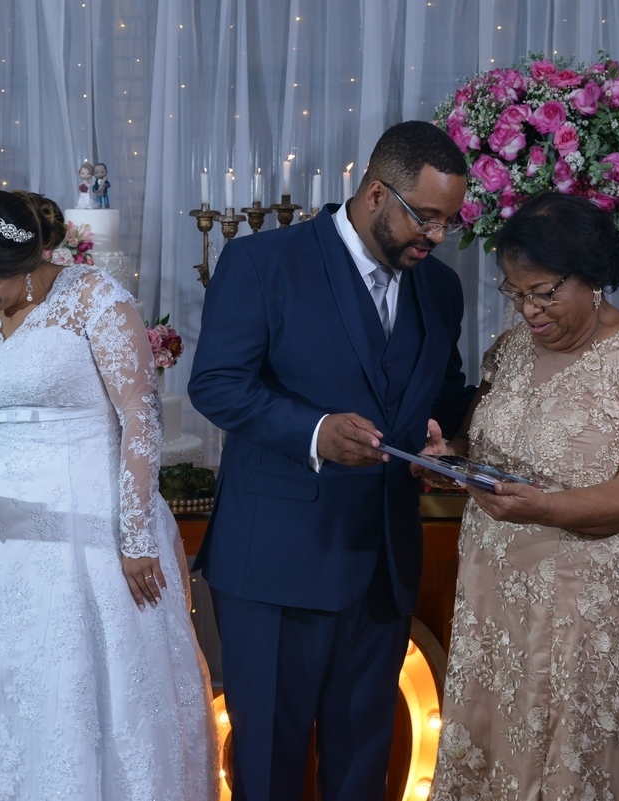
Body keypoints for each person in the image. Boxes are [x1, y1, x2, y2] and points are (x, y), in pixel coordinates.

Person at [0, 190, 217, 800]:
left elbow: (140, 419)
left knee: (82, 688)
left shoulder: (98, 299)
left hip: (88, 521)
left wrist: (136, 537)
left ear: (29, 259)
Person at [188, 120, 476, 800]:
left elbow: (443, 390)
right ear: (378, 192)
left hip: (382, 560)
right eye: (425, 219)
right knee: (268, 766)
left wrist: (448, 440)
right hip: (276, 562)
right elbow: (216, 383)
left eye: (448, 224)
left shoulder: (440, 288)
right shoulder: (264, 262)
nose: (436, 239)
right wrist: (314, 430)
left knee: (363, 766)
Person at [426, 192, 619, 800]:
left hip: (589, 607)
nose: (528, 309)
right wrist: (452, 460)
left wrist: (544, 507)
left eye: (544, 292)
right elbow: (487, 442)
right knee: (497, 738)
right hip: (496, 600)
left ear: (594, 278)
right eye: (515, 292)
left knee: (572, 754)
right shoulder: (513, 351)